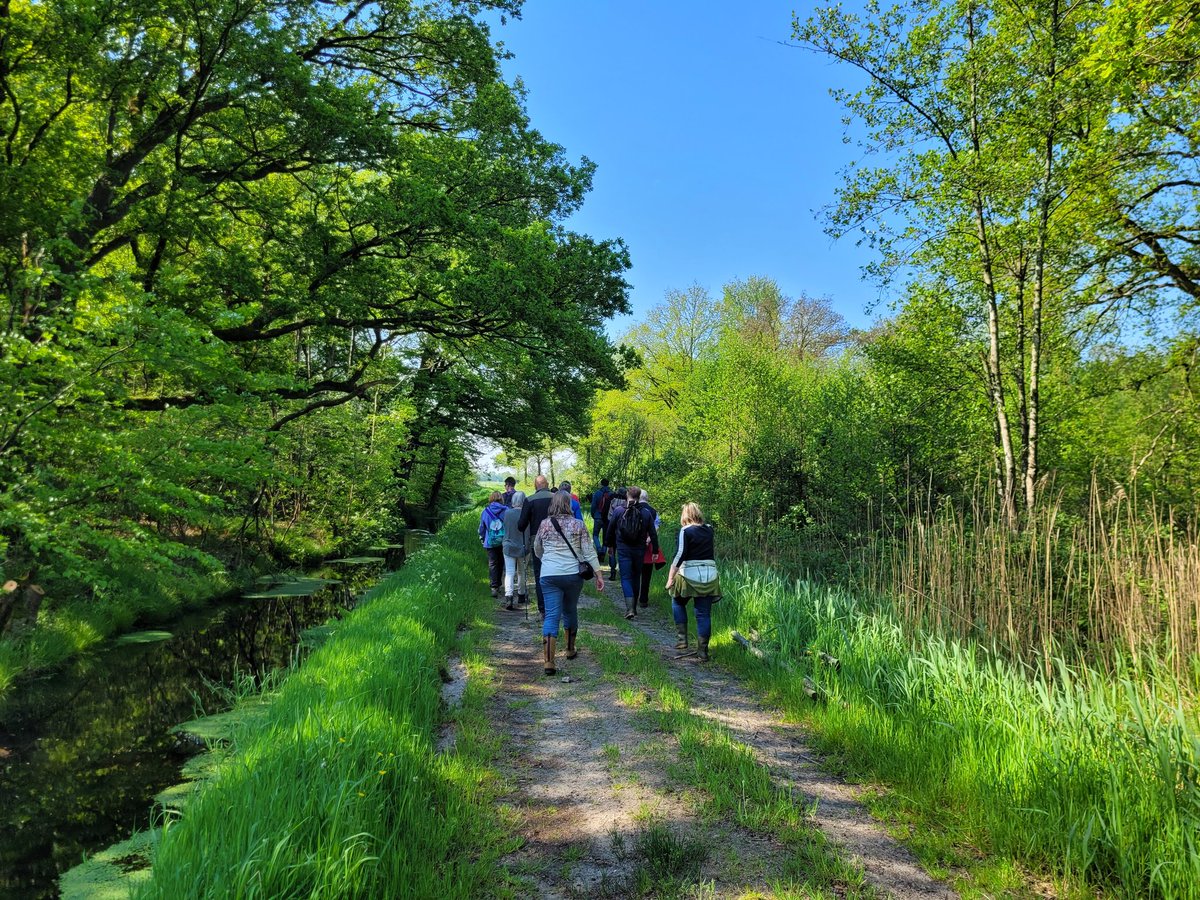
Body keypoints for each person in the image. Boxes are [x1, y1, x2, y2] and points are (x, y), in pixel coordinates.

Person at [534, 491, 603, 674]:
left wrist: (547, 561)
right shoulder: (578, 524)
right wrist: (599, 575)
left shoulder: (544, 524)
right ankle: (570, 649)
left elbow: (537, 549)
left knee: (551, 616)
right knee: (570, 610)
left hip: (548, 575)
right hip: (573, 574)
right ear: (569, 505)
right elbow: (589, 552)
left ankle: (549, 662)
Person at [667, 503, 721, 662]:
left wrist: (671, 577)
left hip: (689, 575)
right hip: (710, 575)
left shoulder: (685, 531)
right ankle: (703, 651)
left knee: (677, 602)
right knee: (704, 613)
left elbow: (680, 554)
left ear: (685, 515)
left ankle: (682, 639)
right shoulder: (710, 529)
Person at [605, 485, 659, 620]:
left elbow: (610, 530)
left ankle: (629, 608)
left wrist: (609, 546)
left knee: (625, 577)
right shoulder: (646, 513)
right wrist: (655, 550)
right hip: (639, 549)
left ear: (627, 495)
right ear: (639, 496)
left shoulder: (619, 511)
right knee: (636, 577)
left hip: (623, 549)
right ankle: (633, 607)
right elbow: (653, 533)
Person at [517, 475, 554, 616]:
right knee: (555, 571)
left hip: (537, 541)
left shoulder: (530, 500)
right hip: (556, 540)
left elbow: (521, 525)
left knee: (540, 573)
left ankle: (543, 608)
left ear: (535, 485)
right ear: (547, 484)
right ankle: (554, 605)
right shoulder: (556, 498)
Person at [501, 490, 530, 610]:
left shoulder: (507, 513)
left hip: (508, 546)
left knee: (509, 572)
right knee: (521, 572)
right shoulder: (528, 514)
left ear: (513, 501)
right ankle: (521, 594)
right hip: (523, 547)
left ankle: (509, 596)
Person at [637, 489, 665, 609]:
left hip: (635, 546)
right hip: (649, 546)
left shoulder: (633, 508)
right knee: (646, 574)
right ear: (647, 498)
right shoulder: (653, 511)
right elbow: (656, 527)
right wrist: (649, 539)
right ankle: (643, 599)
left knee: (634, 573)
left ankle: (632, 597)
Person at [478, 491, 508, 599]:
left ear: (490, 499)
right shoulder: (506, 510)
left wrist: (482, 537)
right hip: (503, 541)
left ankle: (494, 587)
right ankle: (499, 584)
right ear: (501, 499)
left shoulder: (485, 512)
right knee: (501, 562)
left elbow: (482, 528)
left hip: (490, 542)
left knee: (492, 563)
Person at [603, 487, 628, 580]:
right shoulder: (627, 502)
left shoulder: (611, 499)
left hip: (611, 527)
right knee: (622, 552)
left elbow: (605, 513)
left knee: (611, 550)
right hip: (623, 530)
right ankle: (623, 573)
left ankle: (612, 572)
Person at [589, 478, 612, 561]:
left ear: (601, 484)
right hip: (607, 518)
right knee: (606, 537)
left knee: (595, 535)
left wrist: (593, 514)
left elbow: (593, 506)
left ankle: (599, 549)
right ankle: (603, 551)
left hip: (598, 517)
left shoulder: (597, 493)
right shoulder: (611, 494)